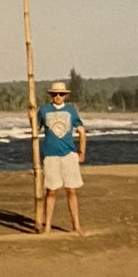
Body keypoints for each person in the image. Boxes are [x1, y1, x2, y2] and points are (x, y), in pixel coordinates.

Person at [37, 79, 87, 236]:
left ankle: (76, 226)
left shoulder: (71, 111)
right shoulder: (43, 110)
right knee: (51, 191)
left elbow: (82, 131)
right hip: (51, 156)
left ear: (65, 95)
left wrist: (81, 152)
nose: (58, 96)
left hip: (68, 155)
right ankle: (47, 227)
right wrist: (31, 116)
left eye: (61, 94)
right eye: (55, 94)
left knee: (71, 191)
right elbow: (35, 128)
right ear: (51, 95)